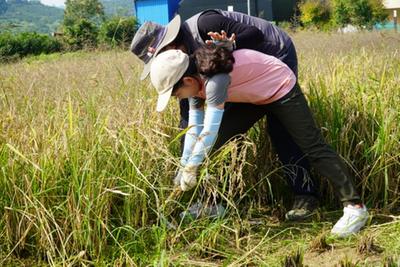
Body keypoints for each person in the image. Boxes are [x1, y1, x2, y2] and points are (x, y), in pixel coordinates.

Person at [148, 46, 369, 238]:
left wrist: (192, 167)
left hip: (279, 86)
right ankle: (212, 205)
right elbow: (194, 127)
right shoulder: (194, 82)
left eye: (176, 94)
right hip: (251, 94)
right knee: (215, 146)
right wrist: (185, 163)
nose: (178, 98)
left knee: (312, 145)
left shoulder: (214, 81)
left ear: (187, 80)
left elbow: (209, 129)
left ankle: (355, 207)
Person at [130, 10, 320, 220]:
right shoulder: (178, 68)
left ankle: (305, 195)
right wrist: (185, 165)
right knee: (222, 133)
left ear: (170, 45)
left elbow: (255, 35)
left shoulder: (204, 24)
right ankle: (213, 200)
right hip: (235, 75)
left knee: (280, 127)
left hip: (274, 55)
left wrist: (226, 47)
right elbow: (189, 121)